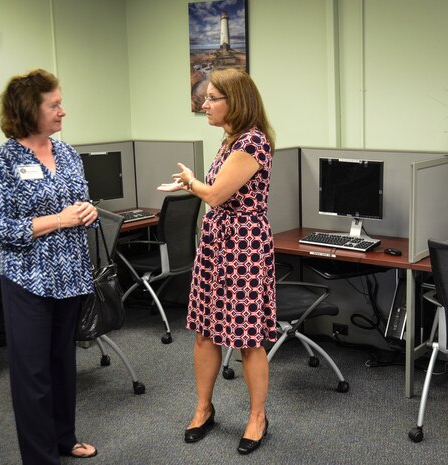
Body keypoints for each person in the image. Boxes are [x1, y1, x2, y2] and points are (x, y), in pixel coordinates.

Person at [0, 68, 99, 465]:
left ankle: (65, 438)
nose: (63, 111)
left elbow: (84, 206)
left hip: (70, 276)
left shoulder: (66, 153)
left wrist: (87, 212)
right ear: (30, 110)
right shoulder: (2, 162)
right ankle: (40, 456)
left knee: (63, 365)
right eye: (54, 104)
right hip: (28, 280)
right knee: (32, 374)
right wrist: (59, 220)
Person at [158, 67, 277, 455]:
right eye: (205, 97)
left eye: (212, 98)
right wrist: (196, 183)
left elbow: (215, 195)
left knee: (249, 339)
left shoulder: (253, 143)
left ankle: (258, 418)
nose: (204, 104)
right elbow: (217, 195)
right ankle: (203, 408)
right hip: (216, 245)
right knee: (205, 331)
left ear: (235, 102)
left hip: (243, 247)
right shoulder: (230, 140)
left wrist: (191, 182)